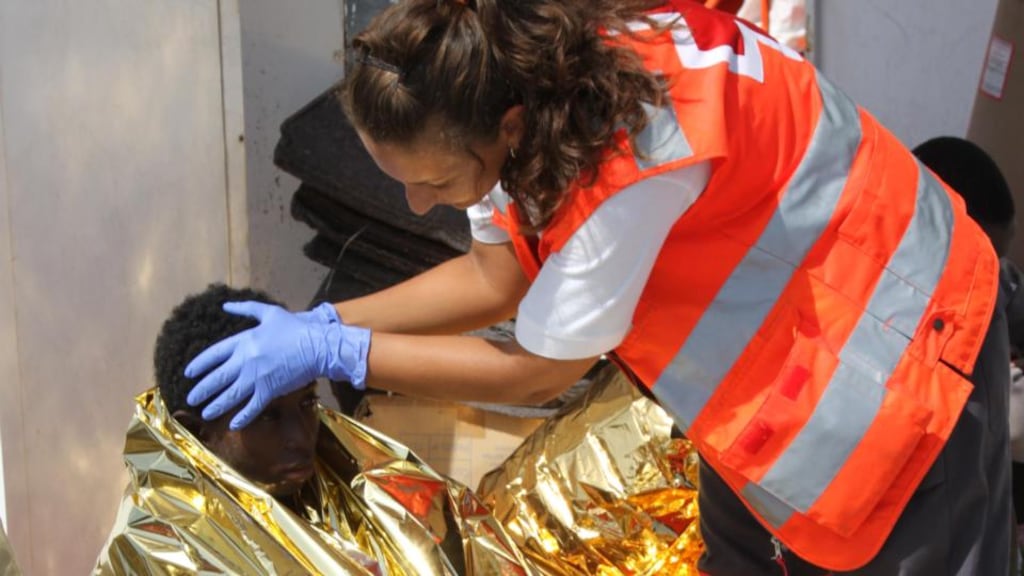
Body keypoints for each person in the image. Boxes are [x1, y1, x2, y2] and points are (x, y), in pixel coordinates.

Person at [184, 1, 1009, 573]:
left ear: (502, 131)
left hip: (902, 338)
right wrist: (319, 319)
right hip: (777, 362)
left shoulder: (629, 157)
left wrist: (341, 349)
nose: (414, 205)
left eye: (432, 181)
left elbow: (534, 370)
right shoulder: (514, 84)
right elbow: (493, 276)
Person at [94, 284, 534, 575]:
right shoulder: (162, 549)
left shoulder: (353, 482)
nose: (301, 436)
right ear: (198, 434)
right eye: (267, 416)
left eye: (308, 404)